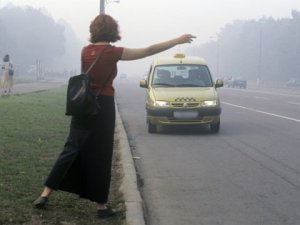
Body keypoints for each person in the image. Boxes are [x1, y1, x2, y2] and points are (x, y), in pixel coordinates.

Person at [33, 14, 195, 218]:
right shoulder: (112, 52)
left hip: (83, 105)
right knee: (101, 154)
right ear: (112, 31)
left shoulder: (86, 51)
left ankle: (45, 194)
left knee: (71, 148)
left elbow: (88, 76)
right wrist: (176, 41)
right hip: (103, 106)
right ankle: (101, 207)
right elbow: (148, 51)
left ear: (93, 30)